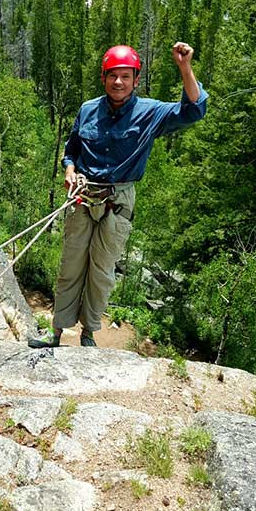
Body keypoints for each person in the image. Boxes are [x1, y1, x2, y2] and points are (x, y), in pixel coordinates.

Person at [28, 42, 208, 348]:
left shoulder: (150, 113)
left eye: (125, 76)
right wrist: (69, 171)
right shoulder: (88, 110)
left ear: (136, 80)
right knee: (71, 264)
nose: (118, 82)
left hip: (118, 201)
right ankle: (57, 332)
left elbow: (194, 110)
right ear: (104, 78)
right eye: (113, 76)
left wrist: (185, 67)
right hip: (83, 196)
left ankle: (88, 334)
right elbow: (71, 151)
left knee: (102, 270)